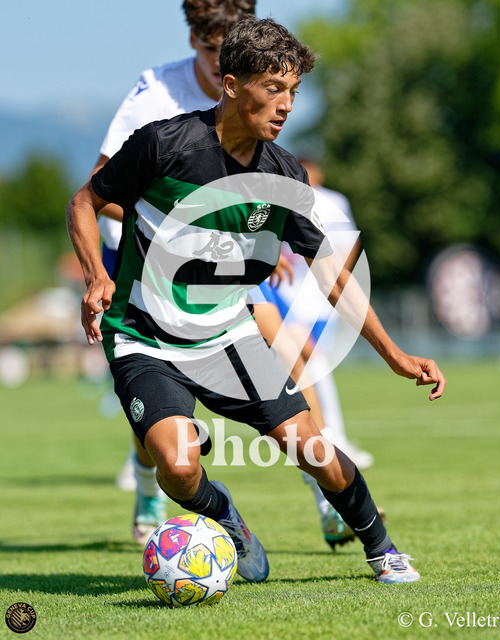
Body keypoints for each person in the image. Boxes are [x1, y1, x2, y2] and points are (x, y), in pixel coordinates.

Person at [67, 16, 446, 584]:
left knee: (312, 448)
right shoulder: (164, 144)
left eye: (293, 90)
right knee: (177, 465)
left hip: (228, 335)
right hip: (144, 336)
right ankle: (225, 515)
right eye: (273, 88)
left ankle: (382, 549)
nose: (286, 104)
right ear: (231, 85)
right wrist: (96, 274)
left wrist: (395, 354)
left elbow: (333, 276)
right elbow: (83, 201)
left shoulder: (285, 175)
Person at [91, 0, 257, 545]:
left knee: (291, 352)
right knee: (155, 394)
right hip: (140, 263)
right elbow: (99, 190)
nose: (223, 63)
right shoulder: (154, 96)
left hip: (219, 261)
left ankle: (327, 495)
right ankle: (149, 484)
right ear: (193, 41)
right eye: (213, 50)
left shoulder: (258, 91)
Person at [253, 157, 378, 550]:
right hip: (185, 298)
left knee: (301, 365)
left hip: (274, 295)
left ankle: (330, 501)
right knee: (172, 437)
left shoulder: (312, 196)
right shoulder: (178, 151)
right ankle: (145, 479)